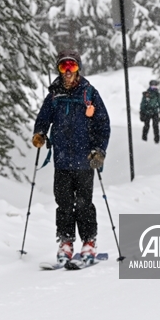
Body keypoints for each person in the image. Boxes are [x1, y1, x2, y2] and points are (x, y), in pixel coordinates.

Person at [32, 50, 111, 265]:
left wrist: (99, 150)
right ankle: (66, 242)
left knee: (84, 203)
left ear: (78, 69)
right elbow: (43, 118)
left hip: (85, 159)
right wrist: (39, 134)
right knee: (64, 203)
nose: (67, 72)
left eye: (72, 67)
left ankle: (89, 242)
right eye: (63, 67)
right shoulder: (54, 95)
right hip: (62, 160)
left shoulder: (89, 93)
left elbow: (103, 124)